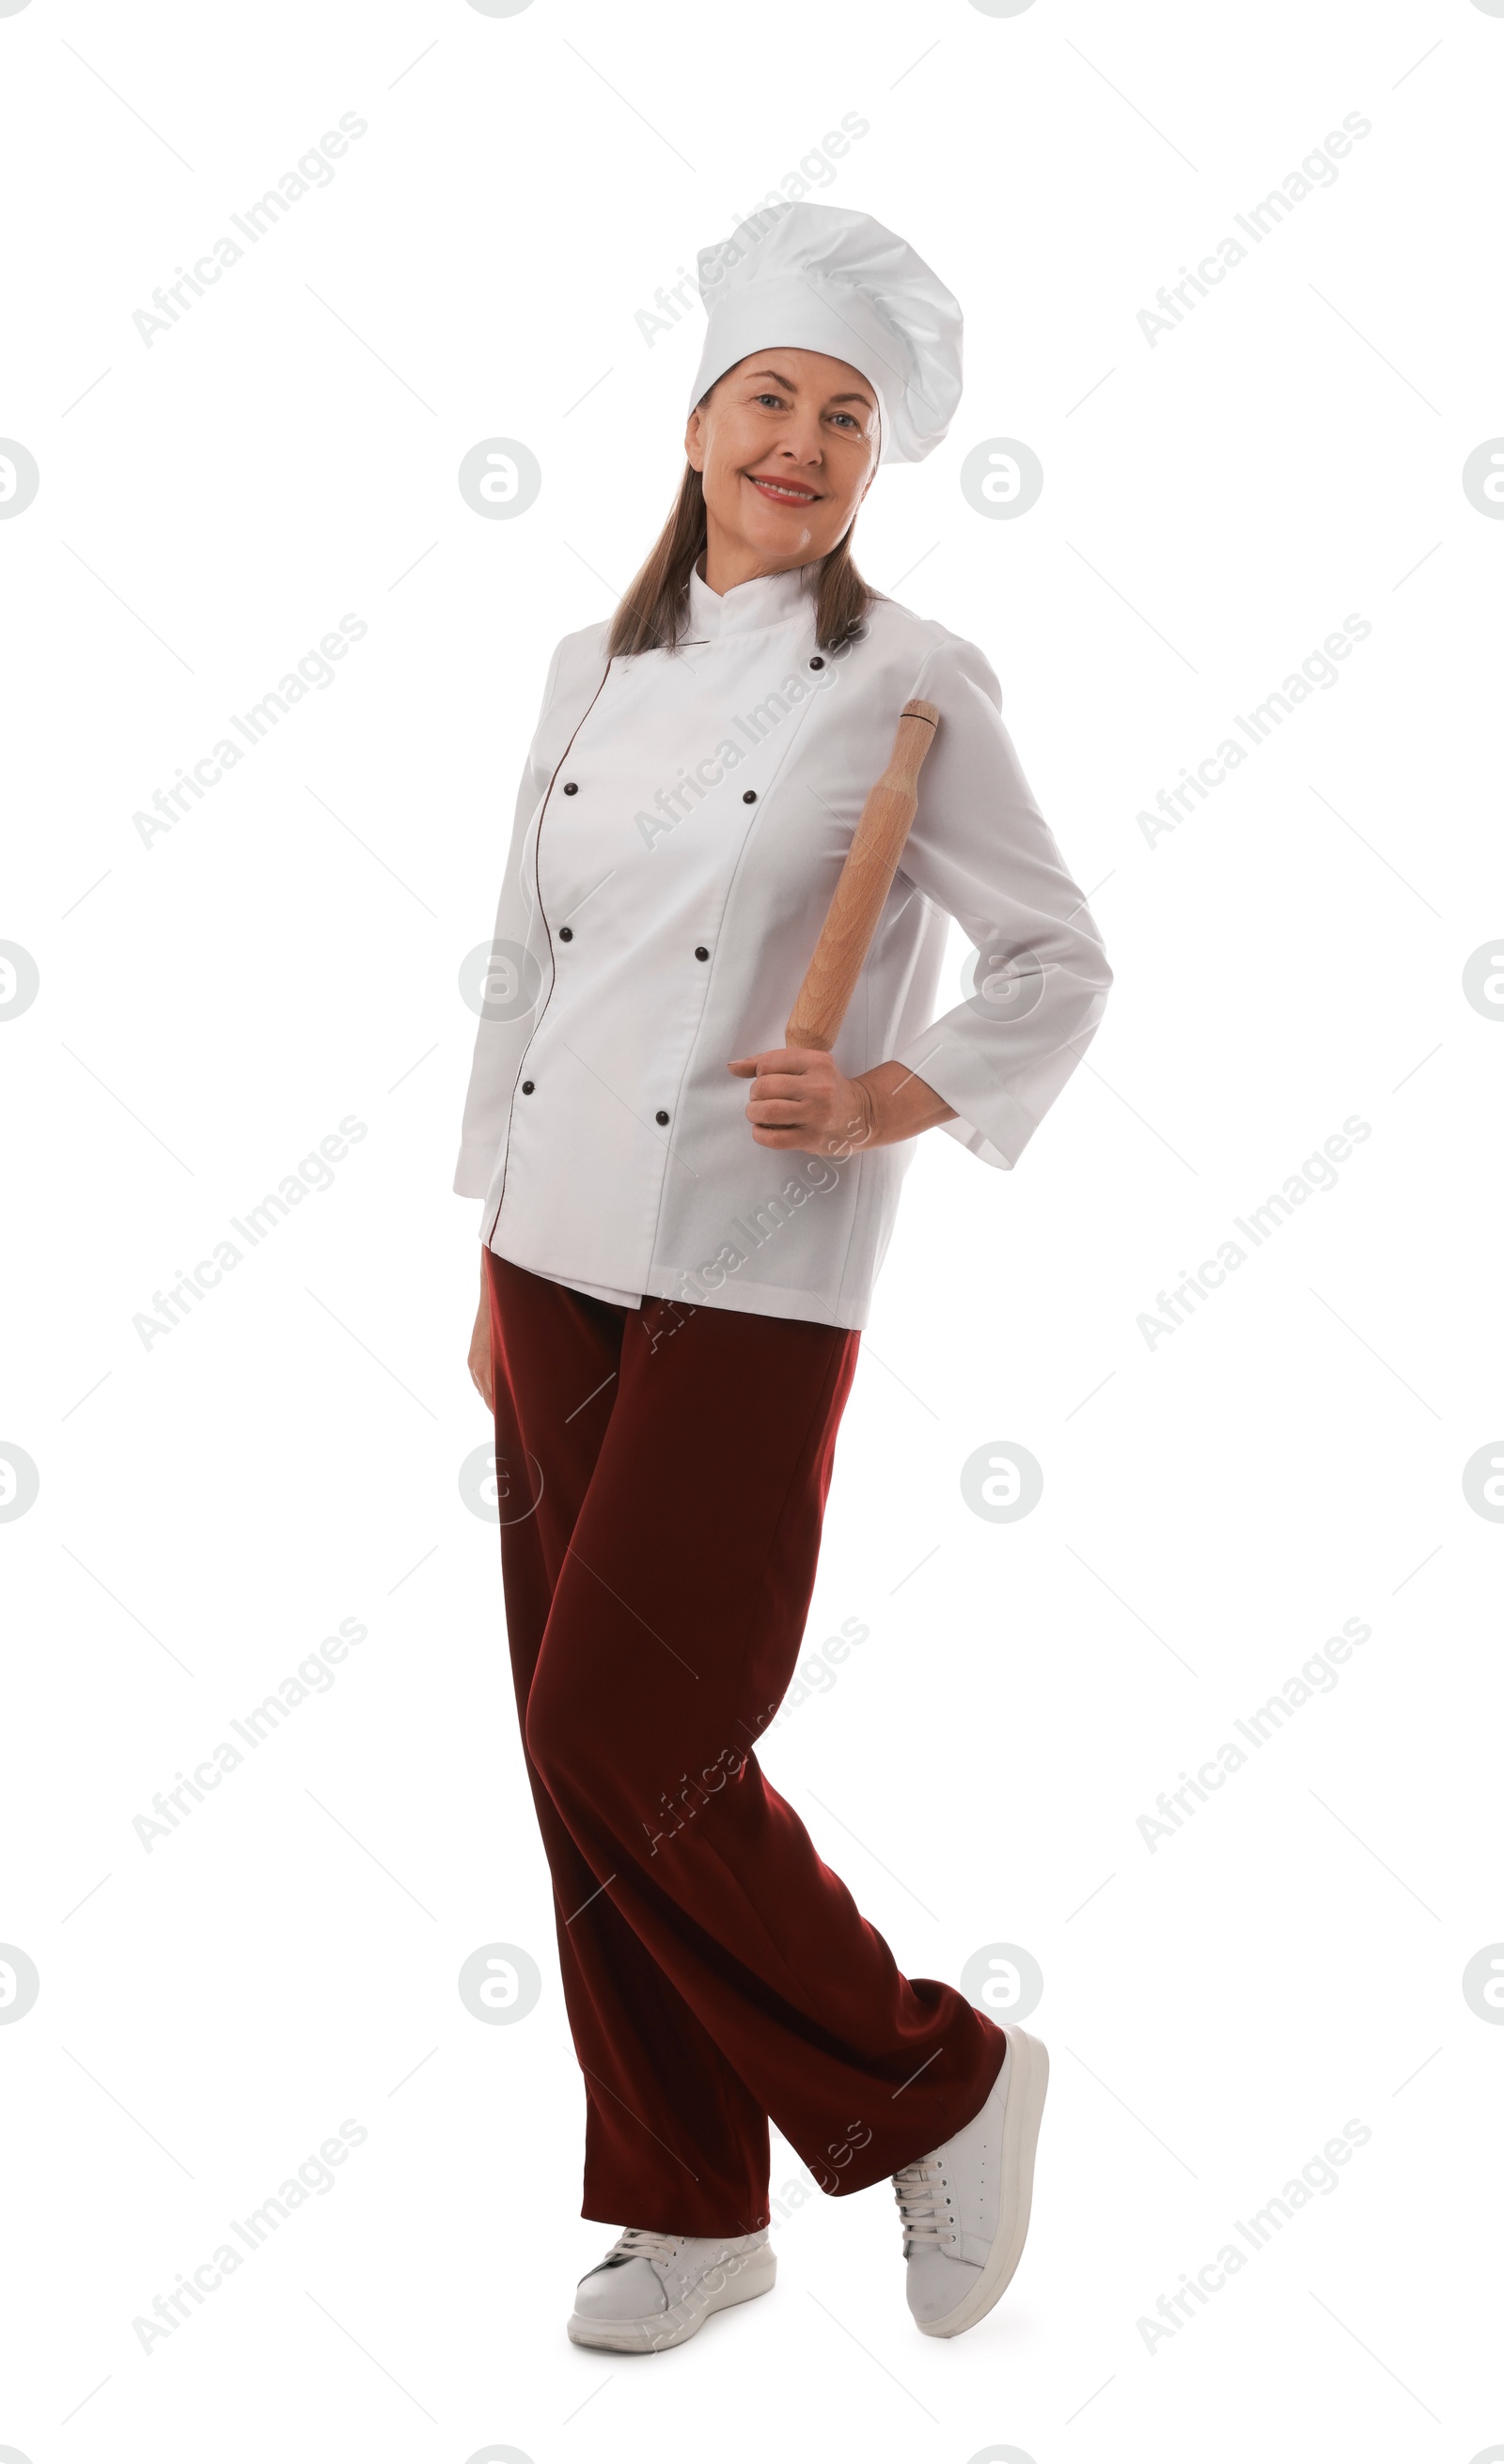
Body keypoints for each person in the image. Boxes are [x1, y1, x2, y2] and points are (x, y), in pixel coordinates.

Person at [456, 202, 1111, 2354]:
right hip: (547, 1257)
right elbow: (524, 971)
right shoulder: (592, 667)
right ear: (695, 418)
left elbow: (1055, 958)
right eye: (770, 396)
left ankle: (940, 2077)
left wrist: (894, 1095)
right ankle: (684, 2207)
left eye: (842, 412)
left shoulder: (912, 682)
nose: (802, 438)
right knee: (574, 1760)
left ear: (870, 458)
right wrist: (484, 1237)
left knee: (632, 1728)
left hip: (750, 1270)